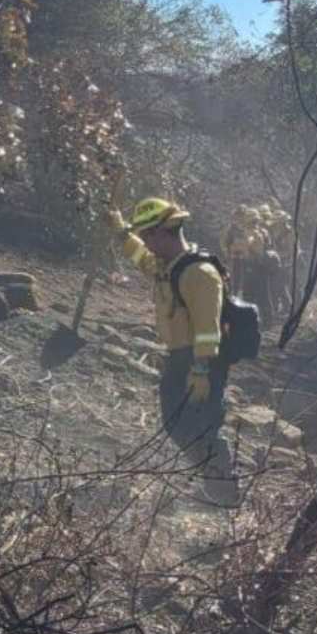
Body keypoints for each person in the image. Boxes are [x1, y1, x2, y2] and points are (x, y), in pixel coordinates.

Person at [103, 196, 237, 503]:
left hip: (204, 362)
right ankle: (213, 478)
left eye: (148, 236)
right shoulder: (170, 266)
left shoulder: (199, 273)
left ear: (165, 232)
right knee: (176, 422)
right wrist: (123, 232)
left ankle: (223, 495)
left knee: (200, 426)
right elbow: (142, 260)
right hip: (181, 358)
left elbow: (208, 329)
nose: (146, 243)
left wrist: (201, 370)